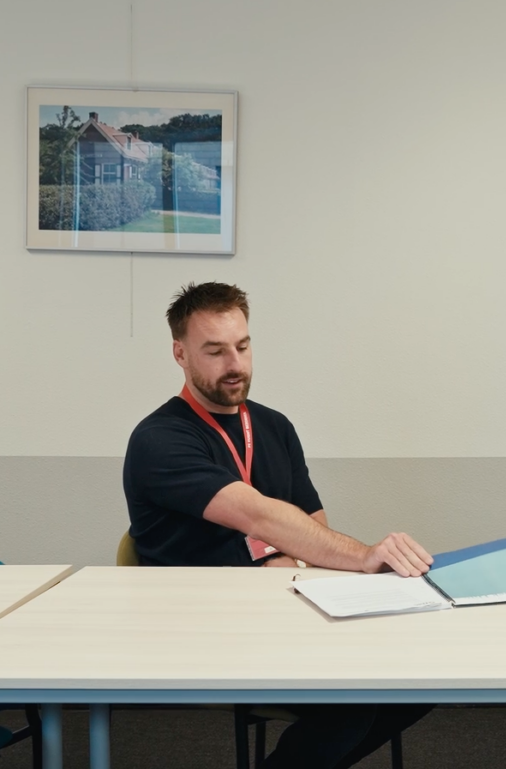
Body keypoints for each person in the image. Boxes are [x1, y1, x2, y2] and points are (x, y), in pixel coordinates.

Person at [123, 281, 433, 769]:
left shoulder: (274, 426)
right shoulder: (160, 439)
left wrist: (293, 557)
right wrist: (363, 555)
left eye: (243, 346)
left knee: (420, 678)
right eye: (215, 351)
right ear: (180, 354)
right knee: (349, 707)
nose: (235, 364)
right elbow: (258, 514)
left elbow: (313, 527)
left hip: (284, 616)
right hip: (202, 628)